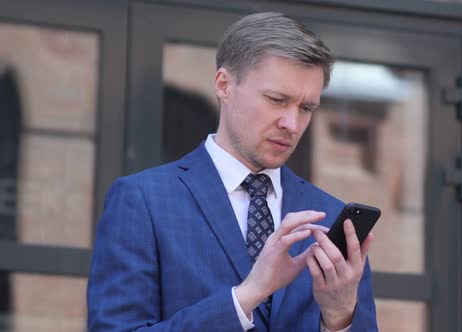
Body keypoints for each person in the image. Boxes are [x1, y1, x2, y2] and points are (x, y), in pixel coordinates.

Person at [87, 12, 378, 331]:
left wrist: (339, 317)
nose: (292, 124)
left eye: (306, 108)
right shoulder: (143, 201)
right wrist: (245, 298)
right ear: (224, 85)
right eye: (277, 100)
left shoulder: (331, 216)